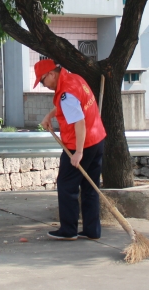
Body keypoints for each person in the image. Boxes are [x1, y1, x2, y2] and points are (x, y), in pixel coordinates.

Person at [35, 59, 107, 240]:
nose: (44, 86)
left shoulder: (65, 93)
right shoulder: (74, 79)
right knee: (90, 187)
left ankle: (69, 230)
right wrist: (50, 115)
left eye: (42, 81)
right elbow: (73, 106)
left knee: (67, 186)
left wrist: (79, 153)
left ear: (51, 74)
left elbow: (79, 122)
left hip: (80, 145)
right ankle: (92, 230)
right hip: (97, 139)